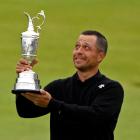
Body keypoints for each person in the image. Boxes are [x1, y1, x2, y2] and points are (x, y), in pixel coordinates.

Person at [15, 30, 124, 140]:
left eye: (86, 48)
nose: (79, 51)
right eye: (77, 46)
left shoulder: (111, 89)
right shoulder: (59, 87)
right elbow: (25, 111)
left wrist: (53, 104)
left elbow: (95, 116)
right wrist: (24, 79)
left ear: (100, 56)